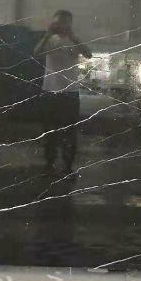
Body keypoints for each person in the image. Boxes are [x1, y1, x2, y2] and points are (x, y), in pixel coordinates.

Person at [34, 10, 92, 174]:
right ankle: (49, 165)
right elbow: (36, 53)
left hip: (69, 93)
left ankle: (67, 167)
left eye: (64, 22)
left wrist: (72, 36)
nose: (61, 26)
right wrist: (47, 34)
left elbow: (88, 54)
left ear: (70, 24)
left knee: (70, 132)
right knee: (49, 131)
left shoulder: (74, 41)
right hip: (50, 91)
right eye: (58, 22)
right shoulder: (49, 40)